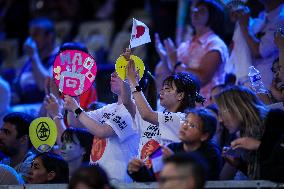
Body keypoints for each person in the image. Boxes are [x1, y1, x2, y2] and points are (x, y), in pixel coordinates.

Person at [63, 71, 139, 183]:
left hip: (118, 179)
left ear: (132, 79)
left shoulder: (133, 110)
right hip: (98, 178)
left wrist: (76, 108)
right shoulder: (108, 108)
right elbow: (75, 122)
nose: (112, 75)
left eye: (119, 73)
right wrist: (74, 96)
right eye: (113, 72)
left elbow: (103, 131)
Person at [155, 0, 228, 101]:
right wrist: (164, 58)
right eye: (194, 9)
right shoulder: (185, 45)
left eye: (201, 10)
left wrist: (176, 63)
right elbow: (172, 76)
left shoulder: (215, 44)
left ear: (213, 16)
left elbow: (201, 79)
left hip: (205, 107)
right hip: (182, 105)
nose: (195, 12)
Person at [127, 108, 222, 181]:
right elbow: (151, 177)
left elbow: (200, 180)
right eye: (185, 121)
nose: (184, 126)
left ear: (204, 135)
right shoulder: (172, 148)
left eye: (192, 125)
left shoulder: (212, 153)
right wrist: (137, 169)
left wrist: (175, 161)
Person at [214, 85, 284, 179]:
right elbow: (262, 175)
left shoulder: (275, 118)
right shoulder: (244, 132)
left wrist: (257, 145)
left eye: (222, 113)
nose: (220, 120)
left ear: (238, 107)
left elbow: (279, 167)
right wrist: (239, 164)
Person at [232, 0, 284, 88]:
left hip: (269, 87)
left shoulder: (281, 20)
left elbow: (259, 51)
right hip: (251, 83)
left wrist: (244, 26)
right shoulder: (262, 18)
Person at [12, 17, 58, 104]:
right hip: (24, 104)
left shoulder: (60, 58)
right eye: (30, 35)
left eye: (36, 35)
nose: (31, 40)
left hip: (46, 106)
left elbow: (45, 87)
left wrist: (33, 56)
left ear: (49, 36)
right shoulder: (28, 59)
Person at [0, 112, 35, 182]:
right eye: (1, 131)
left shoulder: (33, 166)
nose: (0, 136)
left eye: (7, 132)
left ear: (23, 139)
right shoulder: (5, 161)